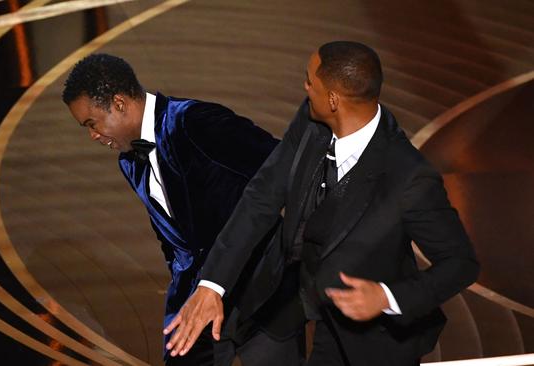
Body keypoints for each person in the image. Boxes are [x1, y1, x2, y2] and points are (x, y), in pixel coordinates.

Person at [164, 41, 480, 366]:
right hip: (291, 291)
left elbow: (461, 263)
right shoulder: (312, 118)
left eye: (309, 82)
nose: (304, 87)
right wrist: (212, 286)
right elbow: (261, 197)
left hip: (367, 334)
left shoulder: (408, 177)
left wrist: (387, 297)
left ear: (333, 100)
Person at [61, 53, 282, 365]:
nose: (92, 135)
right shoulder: (129, 163)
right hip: (192, 301)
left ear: (120, 103)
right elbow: (172, 239)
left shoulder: (195, 122)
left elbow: (281, 166)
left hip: (261, 292)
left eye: (92, 123)